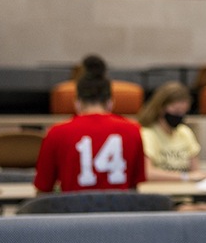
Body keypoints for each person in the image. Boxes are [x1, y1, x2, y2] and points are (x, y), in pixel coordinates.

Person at [33, 55, 146, 192]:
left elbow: (43, 187)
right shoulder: (133, 130)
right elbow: (134, 187)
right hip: (118, 211)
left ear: (77, 102)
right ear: (111, 103)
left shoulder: (56, 132)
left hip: (73, 211)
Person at [138, 80, 206, 181]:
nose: (179, 116)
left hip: (184, 193)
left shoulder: (185, 132)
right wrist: (184, 176)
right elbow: (147, 172)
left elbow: (195, 171)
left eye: (183, 112)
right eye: (176, 111)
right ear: (161, 108)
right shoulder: (147, 133)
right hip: (159, 194)